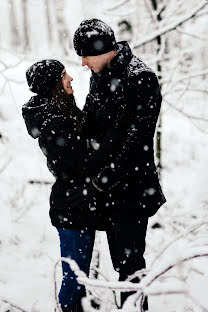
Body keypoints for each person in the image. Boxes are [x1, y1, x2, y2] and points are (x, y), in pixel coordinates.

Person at [66, 19, 167, 311]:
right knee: (116, 265)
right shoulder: (101, 74)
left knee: (130, 271)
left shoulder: (141, 78)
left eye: (85, 55)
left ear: (101, 49)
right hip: (105, 189)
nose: (83, 63)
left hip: (132, 191)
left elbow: (138, 144)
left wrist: (100, 181)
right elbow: (92, 125)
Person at [22, 59, 106, 312]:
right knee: (74, 280)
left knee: (78, 278)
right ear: (52, 84)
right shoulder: (56, 121)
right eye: (63, 75)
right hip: (72, 207)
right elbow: (73, 164)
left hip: (74, 205)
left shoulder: (60, 113)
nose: (70, 78)